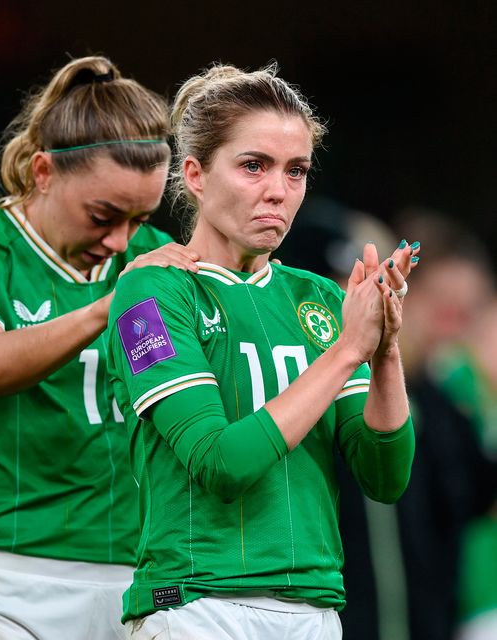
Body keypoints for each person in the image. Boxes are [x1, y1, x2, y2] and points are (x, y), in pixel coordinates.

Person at [107, 63, 419, 639]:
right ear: (196, 175)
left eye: (295, 170)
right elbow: (221, 463)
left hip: (315, 608)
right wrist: (350, 349)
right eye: (254, 166)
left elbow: (384, 476)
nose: (278, 189)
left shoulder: (320, 300)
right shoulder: (152, 290)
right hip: (195, 603)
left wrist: (385, 349)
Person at [0, 55, 198, 640]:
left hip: (139, 576)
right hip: (3, 576)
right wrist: (107, 306)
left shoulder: (156, 253)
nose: (121, 239)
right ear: (44, 172)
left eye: (140, 217)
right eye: (102, 214)